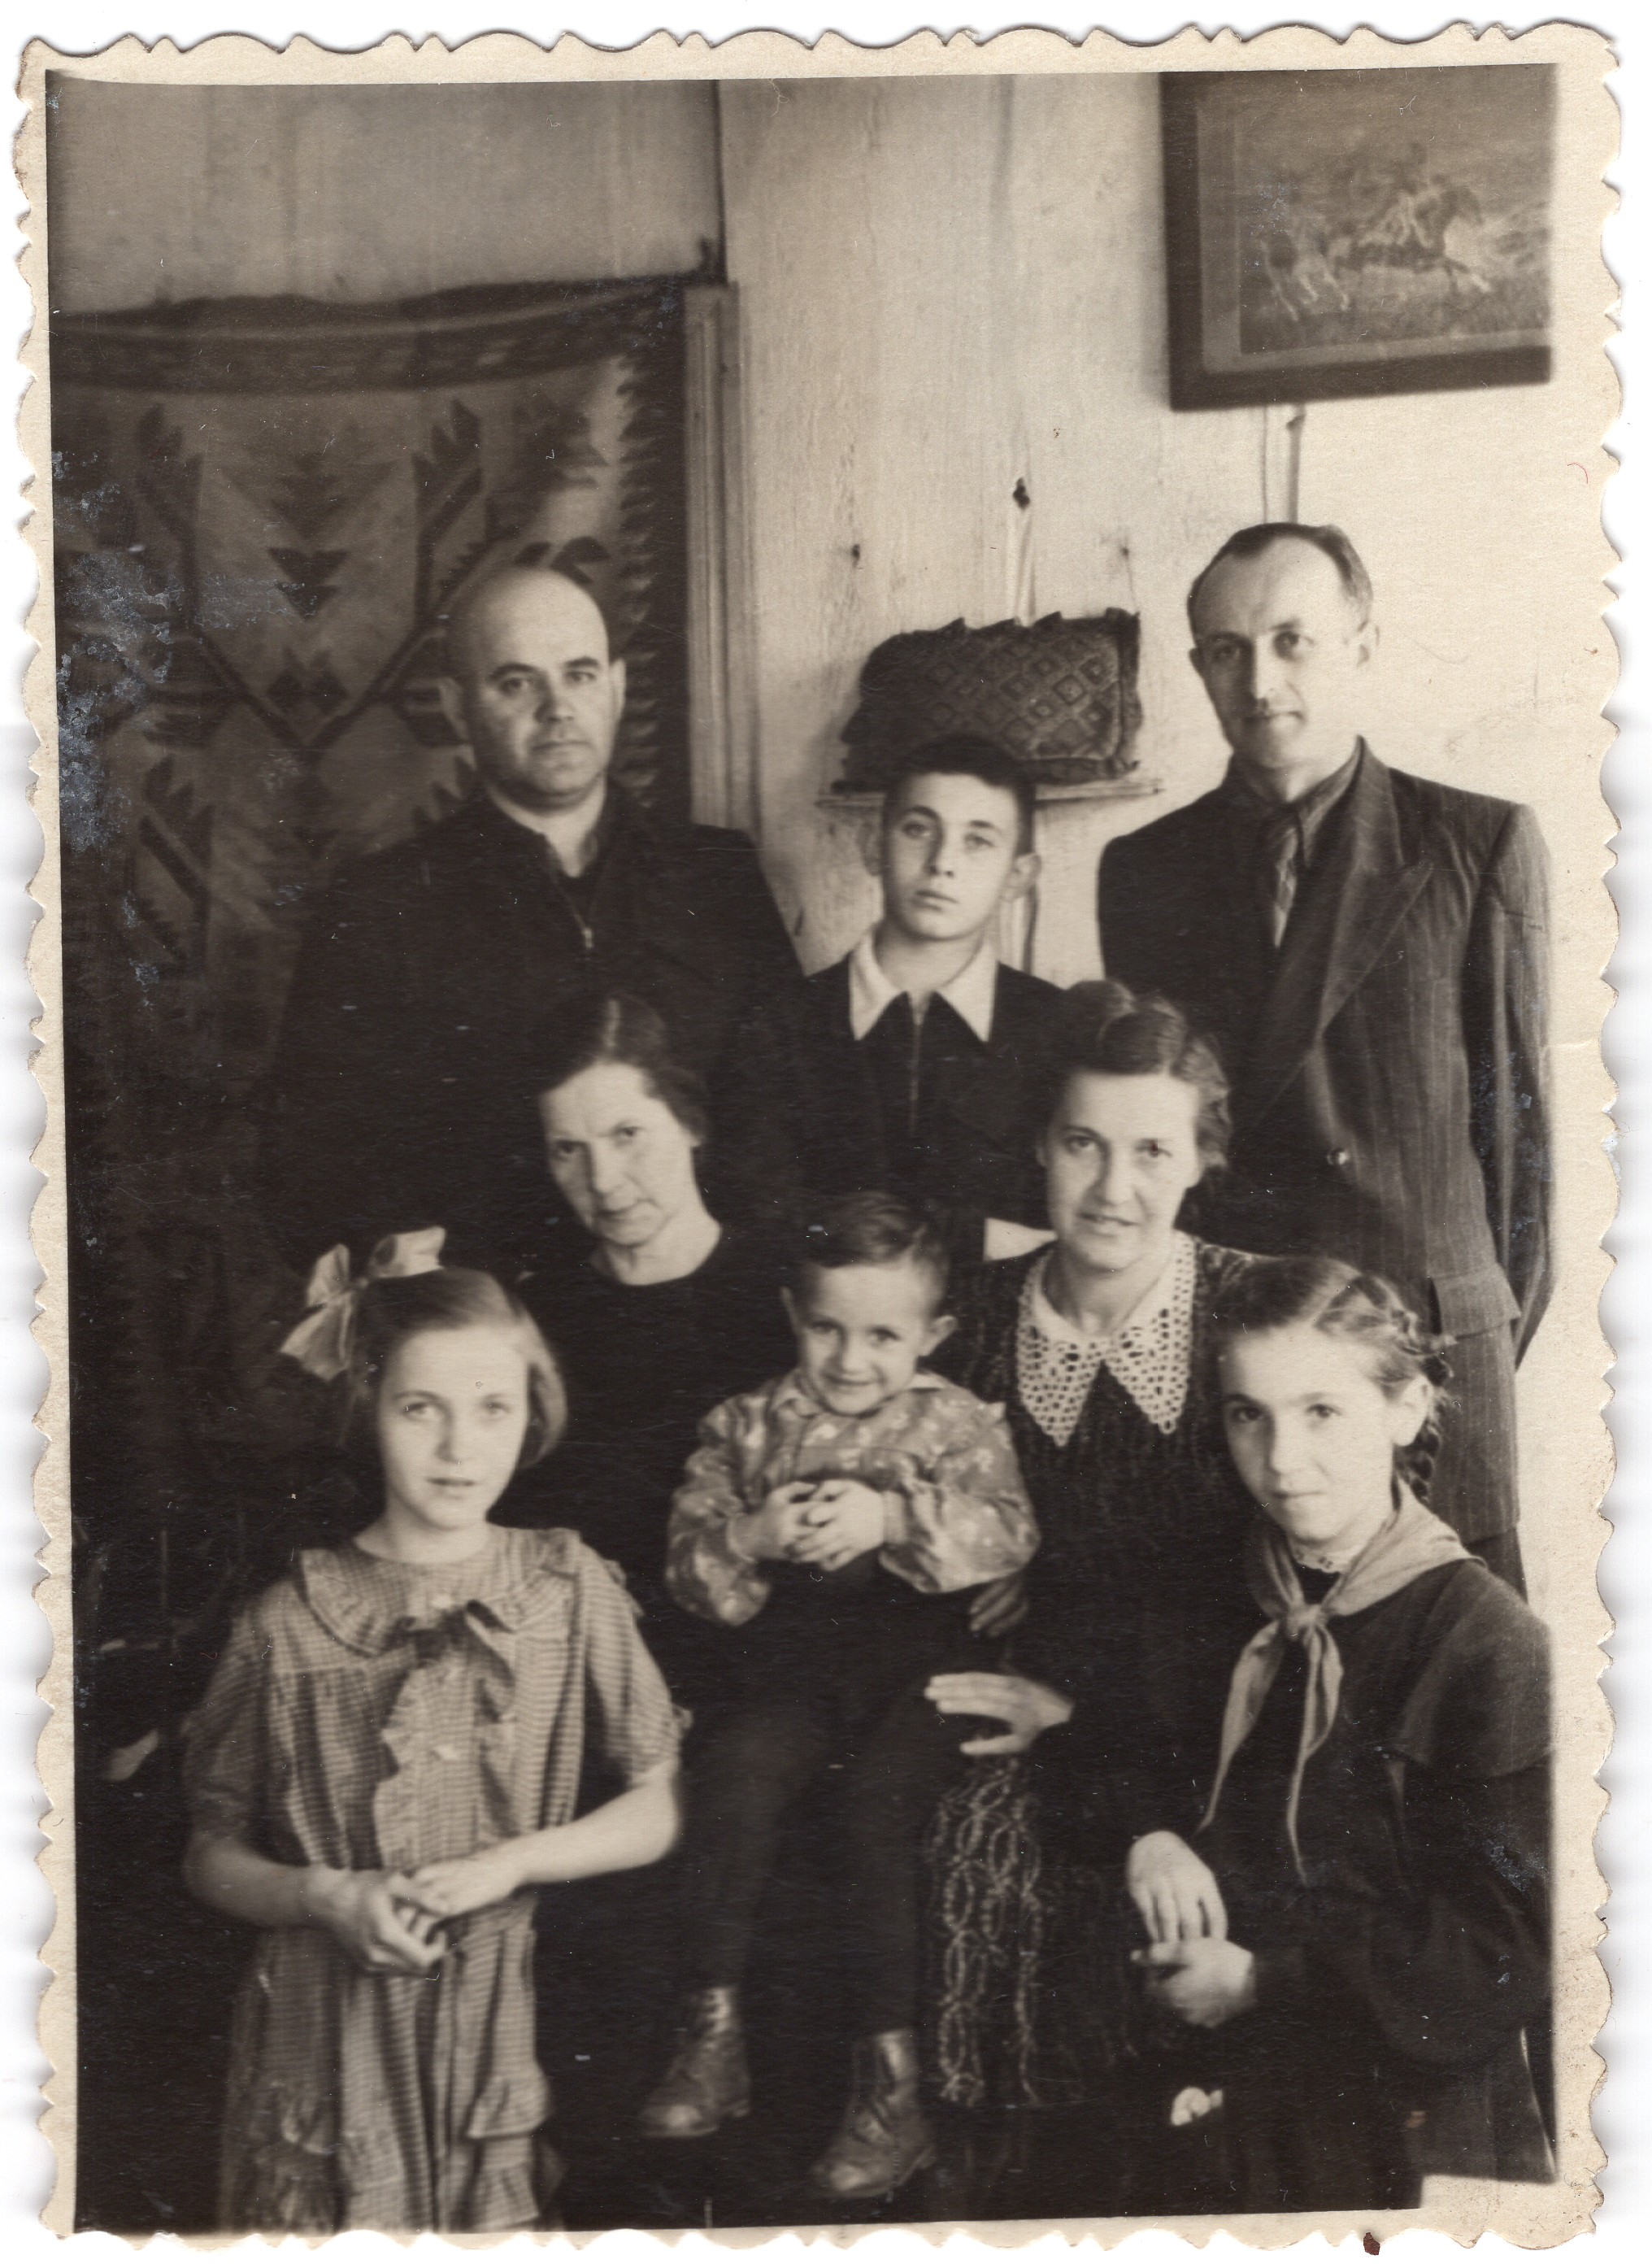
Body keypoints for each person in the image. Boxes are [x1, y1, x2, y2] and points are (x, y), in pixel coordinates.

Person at [180, 1238, 681, 2233]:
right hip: (325, 2031)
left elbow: (656, 1806)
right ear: (367, 1404)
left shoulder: (567, 1586)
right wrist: (326, 1896)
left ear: (531, 1410)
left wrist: (512, 1864)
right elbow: (209, 1854)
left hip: (500, 2024)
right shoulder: (284, 1622)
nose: (460, 1448)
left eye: (493, 1408)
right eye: (422, 1409)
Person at [1099, 522, 1550, 1591]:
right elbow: (1160, 1146)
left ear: (1361, 643)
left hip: (1427, 1365)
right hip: (1247, 1369)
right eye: (1226, 651)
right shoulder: (1144, 871)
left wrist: (1453, 1342)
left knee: (1453, 1672)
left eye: (1291, 641)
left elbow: (1520, 1159)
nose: (1259, 682)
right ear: (1199, 665)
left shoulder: (1475, 843)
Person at [915, 981, 1266, 2215]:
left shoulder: (1255, 1313)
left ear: (1203, 1159)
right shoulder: (974, 1328)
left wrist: (1080, 1716)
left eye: (1153, 1150)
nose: (1114, 1187)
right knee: (969, 1849)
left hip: (1221, 1732)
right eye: (1083, 1144)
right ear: (1039, 1147)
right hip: (1031, 1723)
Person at [1126, 1256, 1552, 2214]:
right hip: (1211, 2075)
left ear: (1405, 1409)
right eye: (1249, 1415)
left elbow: (1502, 1954)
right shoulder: (1204, 1588)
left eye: (1321, 1412)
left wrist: (1262, 1984)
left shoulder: (1488, 1646)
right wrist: (1150, 1833)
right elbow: (1128, 1746)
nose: (1281, 1459)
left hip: (1392, 2101)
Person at [641, 1193, 1037, 2202]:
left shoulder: (956, 1422)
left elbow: (1010, 1533)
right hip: (796, 1676)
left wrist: (891, 1519)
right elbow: (687, 1571)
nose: (851, 1360)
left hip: (922, 1678)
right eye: (826, 1329)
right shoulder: (745, 1426)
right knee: (733, 1770)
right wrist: (750, 1537)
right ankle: (711, 2035)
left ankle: (893, 2088)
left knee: (874, 1806)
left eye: (882, 1336)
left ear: (932, 1334)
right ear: (792, 1315)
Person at [263, 559, 802, 1267]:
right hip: (492, 1317)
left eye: (580, 675)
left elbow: (790, 1118)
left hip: (706, 1303)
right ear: (457, 707)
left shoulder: (718, 876)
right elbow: (310, 1167)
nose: (557, 708)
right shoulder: (378, 905)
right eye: (516, 683)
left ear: (617, 689)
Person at [503, 992, 794, 1700]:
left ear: (691, 1124)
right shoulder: (530, 1320)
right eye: (568, 1150)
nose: (602, 1182)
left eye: (627, 1134)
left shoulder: (791, 1296)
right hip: (576, 1672)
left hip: (754, 1677)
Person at [723, 735, 1066, 1270]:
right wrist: (970, 1236)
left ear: (1018, 877)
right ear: (872, 845)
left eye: (978, 841)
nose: (941, 863)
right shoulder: (780, 1023)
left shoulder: (1058, 1027)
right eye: (918, 830)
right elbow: (759, 1210)